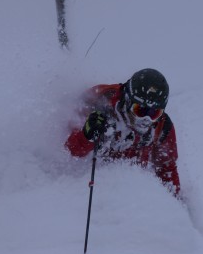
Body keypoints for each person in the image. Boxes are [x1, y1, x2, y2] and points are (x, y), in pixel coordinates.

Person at [65, 68, 181, 197]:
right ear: (128, 100)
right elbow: (68, 152)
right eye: (140, 111)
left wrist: (173, 203)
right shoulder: (98, 101)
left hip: (130, 194)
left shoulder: (163, 126)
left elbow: (167, 168)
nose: (146, 119)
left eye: (154, 113)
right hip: (88, 185)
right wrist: (87, 135)